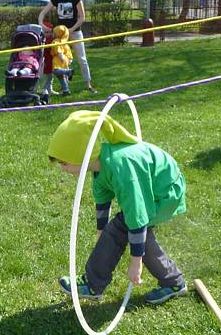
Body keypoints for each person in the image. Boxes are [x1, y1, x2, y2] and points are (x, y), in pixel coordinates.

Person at [48, 110, 187, 304]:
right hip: (149, 189)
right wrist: (100, 231)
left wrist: (135, 263)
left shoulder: (122, 168)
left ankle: (92, 284)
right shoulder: (100, 164)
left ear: (81, 156)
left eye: (64, 163)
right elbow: (102, 198)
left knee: (125, 227)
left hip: (165, 193)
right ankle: (173, 282)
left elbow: (137, 214)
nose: (62, 169)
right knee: (133, 233)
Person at [38, 0, 98, 94]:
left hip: (75, 33)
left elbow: (82, 18)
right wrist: (41, 24)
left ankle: (88, 84)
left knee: (82, 59)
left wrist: (71, 29)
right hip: (60, 35)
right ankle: (64, 86)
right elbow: (42, 13)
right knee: (59, 58)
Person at [51, 25, 73, 96]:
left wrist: (61, 57)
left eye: (55, 32)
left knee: (56, 71)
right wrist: (69, 60)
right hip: (66, 61)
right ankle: (66, 90)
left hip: (58, 60)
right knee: (61, 76)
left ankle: (68, 72)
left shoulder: (56, 41)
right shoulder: (65, 43)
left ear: (58, 33)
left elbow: (58, 51)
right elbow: (69, 54)